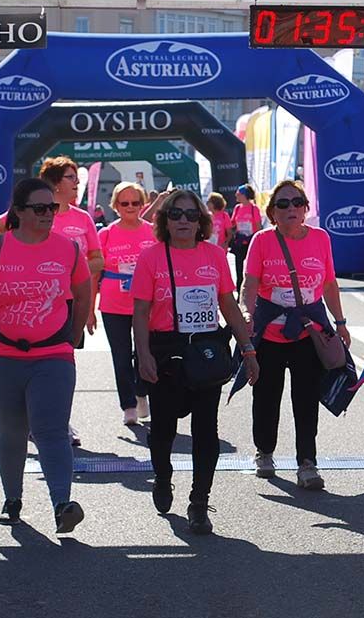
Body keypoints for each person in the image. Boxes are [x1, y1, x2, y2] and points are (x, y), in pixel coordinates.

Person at [0, 178, 92, 534]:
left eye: (52, 207)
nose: (49, 214)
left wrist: (74, 334)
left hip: (52, 354)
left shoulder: (67, 248)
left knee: (51, 430)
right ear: (18, 212)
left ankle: (62, 503)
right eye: (40, 208)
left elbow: (84, 292)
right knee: (13, 429)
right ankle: (12, 499)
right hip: (1, 355)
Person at [132, 190, 259, 534]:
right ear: (165, 220)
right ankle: (162, 478)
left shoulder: (216, 255)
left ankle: (199, 502)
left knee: (207, 431)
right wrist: (142, 354)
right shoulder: (151, 257)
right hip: (165, 351)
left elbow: (228, 304)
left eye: (190, 215)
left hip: (205, 351)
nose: (183, 221)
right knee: (163, 430)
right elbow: (140, 311)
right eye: (176, 214)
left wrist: (248, 349)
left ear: (202, 221)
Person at [0, 156, 103, 447]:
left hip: (69, 301)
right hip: (29, 302)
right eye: (71, 177)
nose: (77, 183)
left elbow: (97, 258)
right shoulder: (31, 213)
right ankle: (32, 424)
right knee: (25, 369)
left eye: (77, 178)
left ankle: (57, 422)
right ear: (55, 182)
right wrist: (23, 254)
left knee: (62, 367)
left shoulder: (82, 218)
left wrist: (75, 268)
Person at [240, 180, 350, 490]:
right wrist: (246, 314)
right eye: (283, 204)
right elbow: (249, 284)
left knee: (306, 399)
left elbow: (328, 283)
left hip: (308, 331)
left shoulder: (320, 238)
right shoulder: (262, 240)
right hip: (270, 331)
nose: (291, 208)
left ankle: (307, 463)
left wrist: (340, 322)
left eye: (296, 202)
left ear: (305, 208)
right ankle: (264, 452)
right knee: (265, 395)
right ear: (272, 212)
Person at [95, 182, 156, 426]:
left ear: (143, 204)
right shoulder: (106, 234)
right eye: (124, 203)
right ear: (116, 206)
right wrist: (88, 309)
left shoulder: (153, 231)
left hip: (147, 303)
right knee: (120, 356)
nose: (130, 207)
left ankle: (141, 392)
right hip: (113, 303)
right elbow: (93, 273)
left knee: (145, 352)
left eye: (135, 203)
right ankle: (128, 404)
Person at [230, 184, 262, 293]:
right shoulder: (237, 208)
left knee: (252, 269)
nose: (236, 195)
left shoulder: (254, 209)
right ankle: (240, 292)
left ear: (244, 195)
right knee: (238, 269)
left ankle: (254, 291)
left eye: (238, 194)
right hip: (240, 243)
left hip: (250, 242)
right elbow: (233, 224)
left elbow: (258, 227)